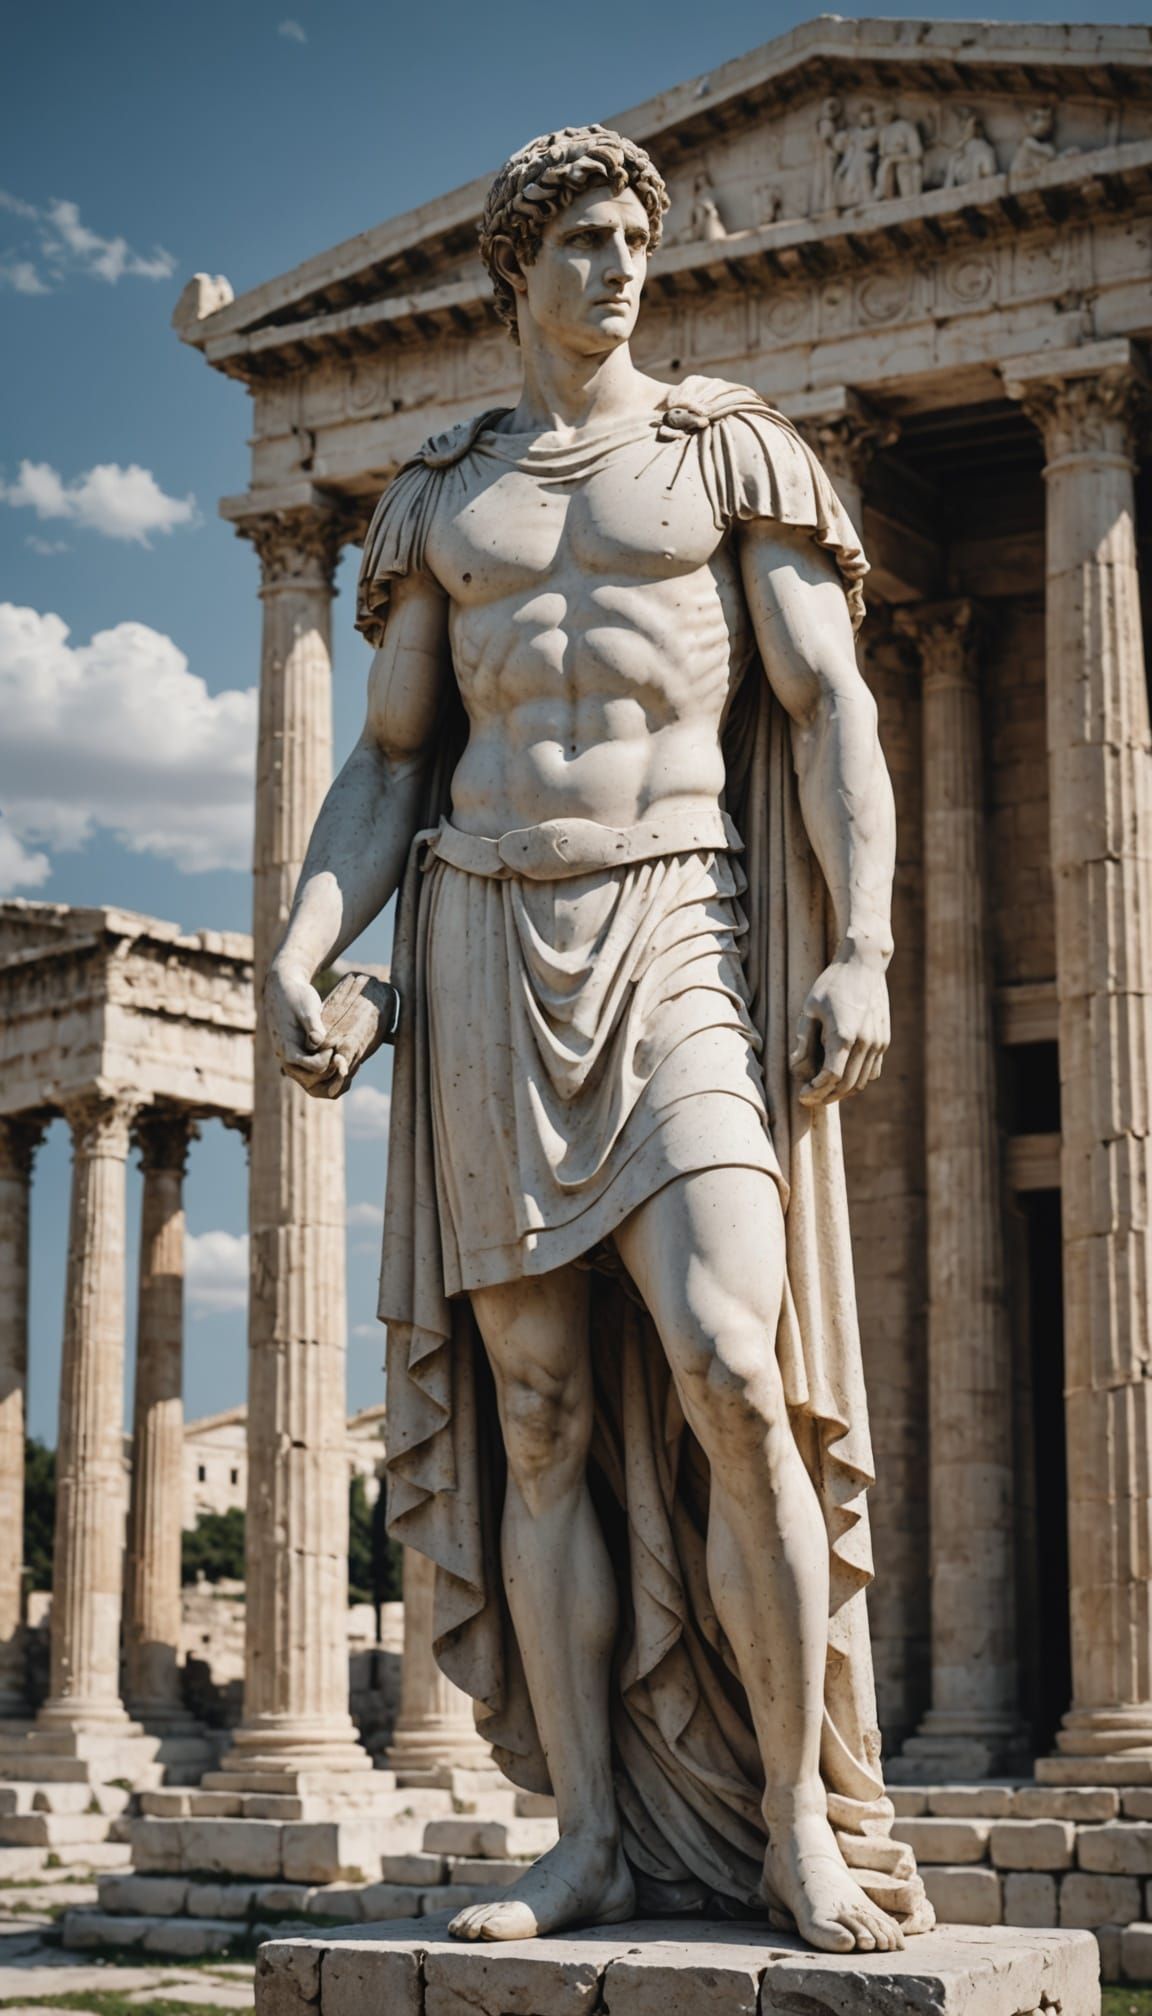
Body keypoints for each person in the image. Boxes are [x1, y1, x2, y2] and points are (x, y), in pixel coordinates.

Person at [265, 124, 931, 1955]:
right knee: (540, 1415)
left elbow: (832, 707)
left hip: (679, 918)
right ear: (518, 268)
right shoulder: (444, 500)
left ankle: (795, 1821)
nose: (621, 268)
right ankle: (588, 1840)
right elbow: (389, 761)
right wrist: (306, 949)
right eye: (583, 241)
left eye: (638, 239)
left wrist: (865, 944)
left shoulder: (727, 455)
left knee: (733, 1360)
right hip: (485, 935)